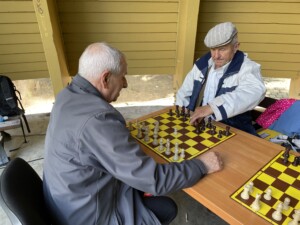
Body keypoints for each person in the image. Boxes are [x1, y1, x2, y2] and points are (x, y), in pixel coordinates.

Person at [43, 42, 223, 225]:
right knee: (167, 204)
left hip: (68, 202)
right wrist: (201, 166)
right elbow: (155, 180)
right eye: (122, 77)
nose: (126, 84)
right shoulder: (98, 120)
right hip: (92, 216)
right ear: (105, 79)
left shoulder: (66, 95)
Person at [176, 22, 266, 136]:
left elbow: (254, 92)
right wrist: (180, 118)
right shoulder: (202, 64)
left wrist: (212, 107)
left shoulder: (248, 68)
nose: (216, 56)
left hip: (231, 132)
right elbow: (184, 93)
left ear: (235, 47)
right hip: (198, 127)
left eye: (222, 49)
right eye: (213, 49)